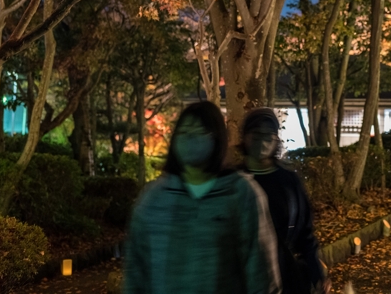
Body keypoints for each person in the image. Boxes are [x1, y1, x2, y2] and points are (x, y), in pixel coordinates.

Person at [123, 101, 281, 294]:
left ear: (216, 139)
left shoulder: (240, 194)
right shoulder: (154, 198)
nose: (190, 138)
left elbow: (261, 271)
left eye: (199, 131)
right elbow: (136, 270)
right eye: (184, 131)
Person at [239, 108, 328, 294]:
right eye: (256, 134)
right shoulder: (233, 181)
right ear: (245, 137)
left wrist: (316, 274)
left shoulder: (288, 181)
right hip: (242, 276)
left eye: (268, 135)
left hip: (285, 275)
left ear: (275, 139)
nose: (262, 141)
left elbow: (304, 233)